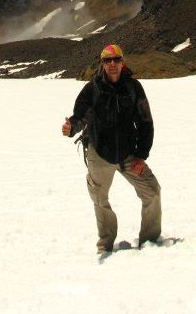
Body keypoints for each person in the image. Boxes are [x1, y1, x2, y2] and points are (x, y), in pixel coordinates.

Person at [62, 43, 162, 254]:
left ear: (122, 62)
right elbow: (80, 115)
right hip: (100, 153)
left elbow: (146, 122)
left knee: (152, 192)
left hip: (128, 154)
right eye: (108, 60)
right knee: (99, 198)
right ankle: (105, 243)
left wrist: (141, 155)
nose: (113, 64)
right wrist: (72, 128)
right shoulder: (92, 88)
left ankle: (150, 240)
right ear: (102, 64)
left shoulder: (133, 88)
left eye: (116, 59)